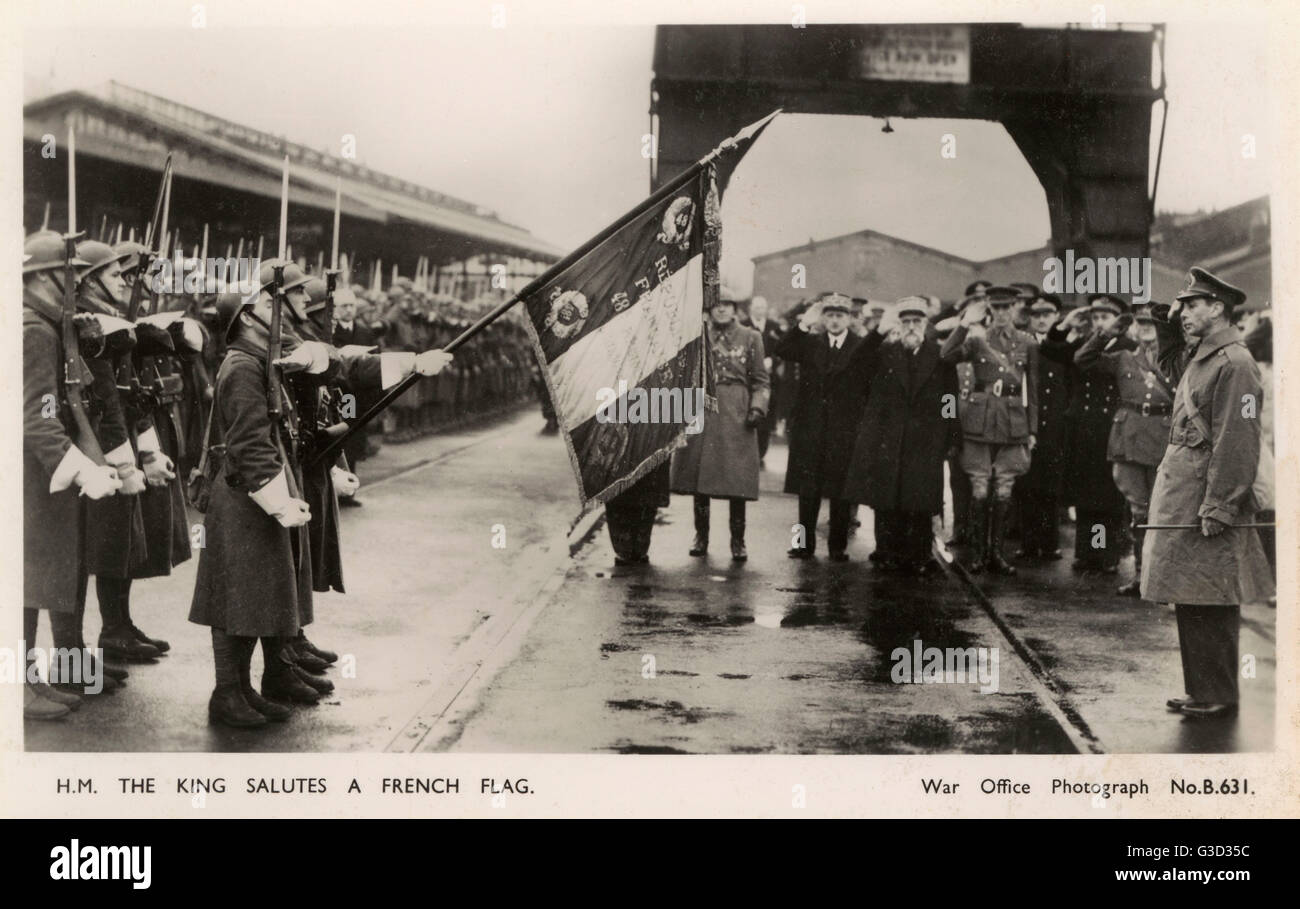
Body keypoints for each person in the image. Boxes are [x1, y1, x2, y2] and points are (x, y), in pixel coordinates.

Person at [189, 272, 452, 726]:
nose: (283, 311)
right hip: (243, 493)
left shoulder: (270, 358)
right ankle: (227, 692)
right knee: (237, 598)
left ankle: (249, 687)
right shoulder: (243, 366)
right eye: (271, 303)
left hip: (261, 489)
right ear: (249, 315)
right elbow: (249, 444)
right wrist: (279, 500)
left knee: (261, 593)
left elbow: (339, 366)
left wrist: (410, 363)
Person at [1142, 267, 1273, 719]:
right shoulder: (1205, 357)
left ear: (1217, 308)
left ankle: (1218, 691)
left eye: (1192, 305)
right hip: (1188, 489)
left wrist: (1220, 503)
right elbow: (1173, 370)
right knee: (1191, 589)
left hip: (1207, 492)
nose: (1183, 312)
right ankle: (1202, 688)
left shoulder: (1236, 363)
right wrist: (1165, 327)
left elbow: (1238, 439)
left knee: (1213, 591)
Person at [842, 298, 959, 574]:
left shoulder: (939, 356)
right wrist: (877, 332)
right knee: (886, 500)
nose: (910, 327)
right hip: (889, 439)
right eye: (905, 321)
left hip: (925, 441)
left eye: (916, 322)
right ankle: (886, 551)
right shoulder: (886, 352)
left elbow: (949, 399)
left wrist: (950, 436)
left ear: (925, 325)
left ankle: (919, 554)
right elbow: (855, 364)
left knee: (920, 502)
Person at [1075, 302, 1174, 595]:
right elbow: (1083, 359)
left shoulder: (1174, 362)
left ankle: (1161, 578)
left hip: (1162, 436)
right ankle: (1141, 576)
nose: (1145, 329)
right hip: (1129, 437)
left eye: (1151, 324)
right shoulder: (1122, 358)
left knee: (1163, 511)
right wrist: (1106, 333)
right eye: (1140, 324)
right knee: (1138, 510)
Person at [939, 286, 1038, 575]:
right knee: (980, 489)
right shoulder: (976, 339)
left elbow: (1031, 389)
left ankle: (997, 554)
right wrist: (964, 324)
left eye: (1008, 307)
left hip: (1011, 422)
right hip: (979, 421)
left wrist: (1031, 429)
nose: (1003, 313)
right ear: (990, 310)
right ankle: (979, 554)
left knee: (1004, 489)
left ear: (1015, 309)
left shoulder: (1027, 342)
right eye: (997, 308)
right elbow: (946, 356)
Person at [670, 293, 769, 561]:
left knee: (737, 481)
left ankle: (738, 541)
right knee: (699, 479)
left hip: (736, 412)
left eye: (727, 305)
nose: (721, 309)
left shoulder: (751, 337)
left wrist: (757, 407)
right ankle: (701, 536)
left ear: (735, 309)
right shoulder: (698, 335)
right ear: (709, 309)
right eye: (716, 305)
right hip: (702, 409)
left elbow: (761, 380)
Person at [773, 293, 871, 561]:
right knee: (808, 489)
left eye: (840, 315)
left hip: (844, 429)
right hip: (811, 427)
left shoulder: (859, 346)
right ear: (823, 318)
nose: (835, 320)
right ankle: (804, 545)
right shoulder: (811, 343)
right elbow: (782, 349)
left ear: (849, 319)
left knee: (840, 491)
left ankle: (837, 547)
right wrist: (804, 324)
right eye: (829, 315)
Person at [1064, 295, 1129, 573]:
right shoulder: (1085, 346)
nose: (1100, 323)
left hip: (1110, 425)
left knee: (1107, 493)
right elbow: (1074, 362)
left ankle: (1105, 553)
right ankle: (1085, 552)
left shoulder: (1128, 348)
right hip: (1085, 425)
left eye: (1106, 317)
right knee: (1085, 491)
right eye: (1096, 318)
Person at [1014, 293, 1068, 560]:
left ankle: (1049, 543)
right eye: (1036, 315)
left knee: (1050, 488)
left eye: (1047, 314)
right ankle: (1028, 542)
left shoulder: (1063, 344)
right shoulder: (1022, 343)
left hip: (1054, 426)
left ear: (1056, 316)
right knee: (1025, 486)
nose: (1041, 320)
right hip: (1025, 424)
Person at [744, 295, 784, 463]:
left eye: (763, 307)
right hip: (748, 380)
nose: (760, 310)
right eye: (757, 307)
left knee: (766, 418)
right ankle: (748, 454)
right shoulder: (744, 325)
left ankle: (761, 454)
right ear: (750, 309)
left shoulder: (774, 328)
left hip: (770, 380)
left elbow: (782, 350)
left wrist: (773, 361)